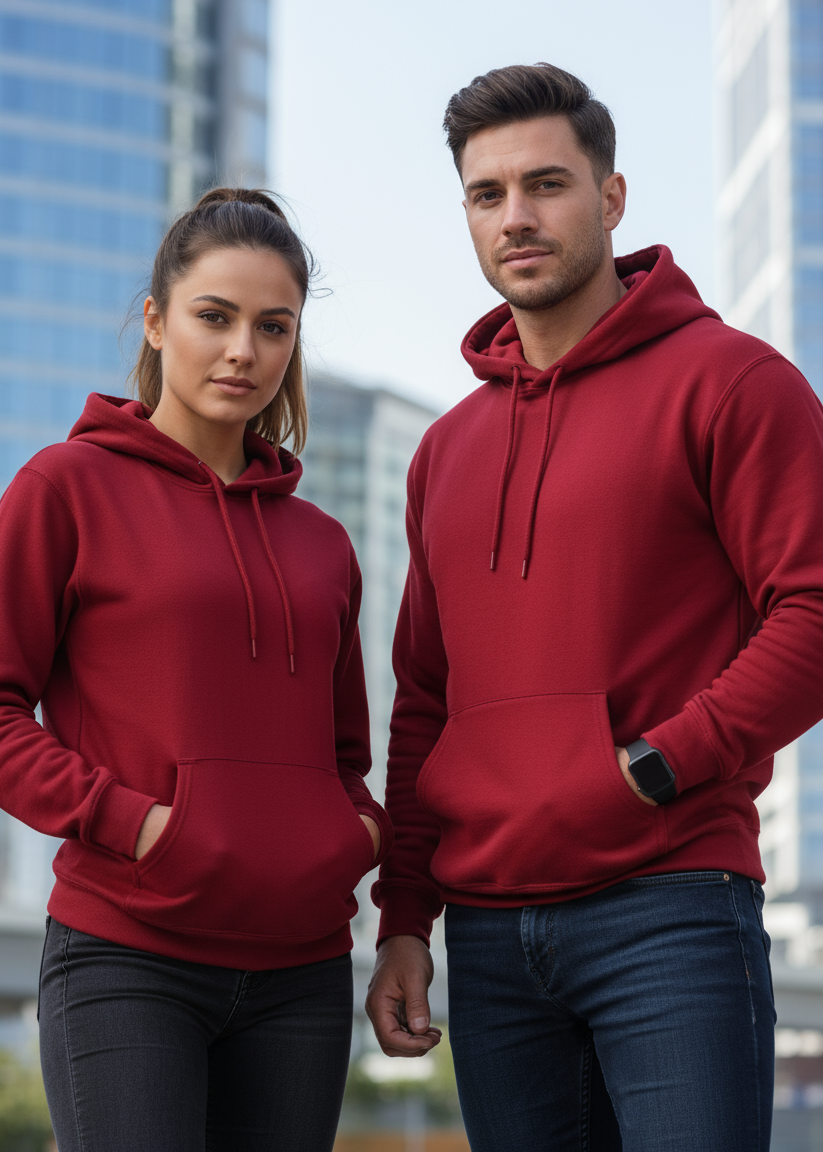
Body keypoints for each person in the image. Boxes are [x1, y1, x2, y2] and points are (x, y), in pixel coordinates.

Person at [365, 63, 823, 1151]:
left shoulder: (733, 383)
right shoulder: (445, 451)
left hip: (667, 906)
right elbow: (426, 701)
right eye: (487, 195)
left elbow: (809, 611)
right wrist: (403, 922)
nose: (516, 217)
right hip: (486, 936)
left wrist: (658, 764)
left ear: (610, 200)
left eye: (545, 185)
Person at [0, 187, 392, 1152]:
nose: (242, 352)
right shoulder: (67, 488)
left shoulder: (322, 544)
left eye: (273, 327)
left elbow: (345, 753)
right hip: (128, 954)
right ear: (155, 319)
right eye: (213, 318)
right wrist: (134, 823)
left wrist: (350, 834)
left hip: (301, 970)